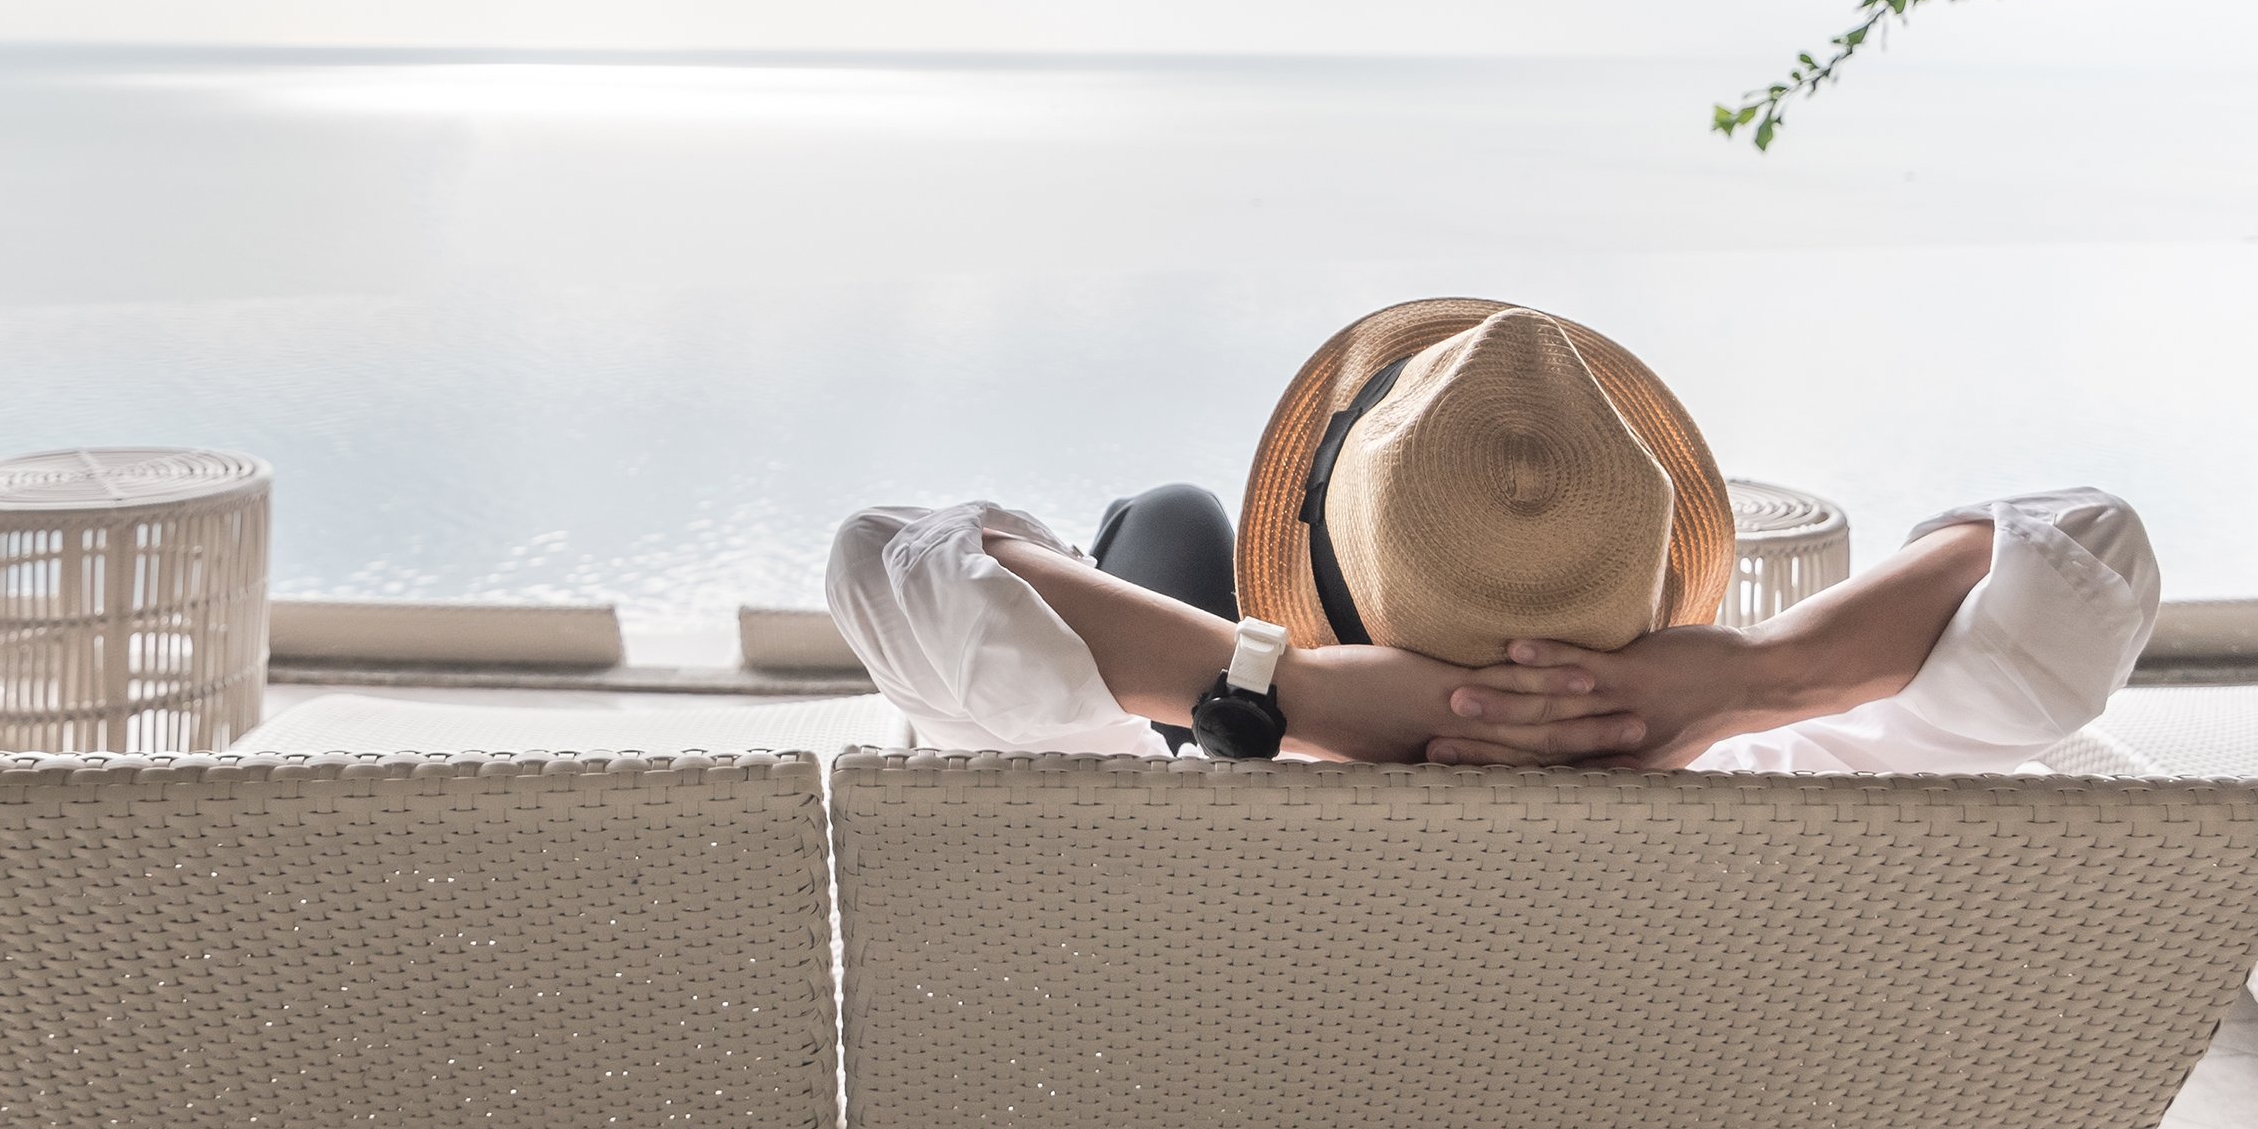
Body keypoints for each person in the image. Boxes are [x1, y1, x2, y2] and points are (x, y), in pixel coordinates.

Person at [825, 298, 2161, 771]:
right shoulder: (1835, 781)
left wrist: (1280, 694)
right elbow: (2077, 542)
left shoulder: (1138, 790)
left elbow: (893, 560)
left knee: (1171, 522)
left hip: (1279, 747)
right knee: (1175, 525)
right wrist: (1744, 687)